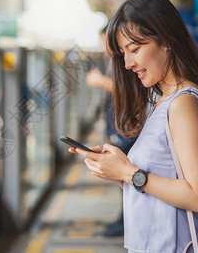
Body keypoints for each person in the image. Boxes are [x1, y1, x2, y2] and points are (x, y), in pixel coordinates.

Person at [69, 0, 198, 252]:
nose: (128, 63)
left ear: (166, 41)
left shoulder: (183, 104)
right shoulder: (162, 99)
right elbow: (161, 184)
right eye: (123, 53)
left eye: (135, 49)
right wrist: (118, 170)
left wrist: (130, 173)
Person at [85, 27, 136, 237]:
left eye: (104, 42)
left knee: (125, 176)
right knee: (122, 179)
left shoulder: (123, 63)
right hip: (118, 127)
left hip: (126, 129)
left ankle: (127, 222)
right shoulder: (113, 61)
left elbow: (126, 90)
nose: (102, 47)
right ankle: (123, 220)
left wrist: (100, 81)